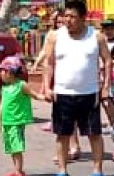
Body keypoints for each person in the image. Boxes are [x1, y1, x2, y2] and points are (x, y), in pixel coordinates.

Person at [42, 0, 112, 176]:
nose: (68, 20)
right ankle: (62, 171)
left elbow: (107, 60)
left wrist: (105, 86)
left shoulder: (96, 37)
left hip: (89, 93)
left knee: (93, 134)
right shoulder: (55, 37)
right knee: (62, 134)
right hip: (63, 93)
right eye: (66, 16)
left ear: (83, 18)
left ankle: (97, 171)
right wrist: (47, 87)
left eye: (72, 16)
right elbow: (48, 63)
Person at [31, 11, 81, 156]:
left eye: (62, 21)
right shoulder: (53, 35)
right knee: (63, 114)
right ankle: (68, 148)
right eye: (58, 21)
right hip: (57, 77)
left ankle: (72, 147)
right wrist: (37, 64)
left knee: (71, 116)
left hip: (72, 79)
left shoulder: (76, 36)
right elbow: (46, 54)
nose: (61, 23)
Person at [0, 55, 46, 176]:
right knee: (11, 148)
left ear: (10, 73)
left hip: (16, 122)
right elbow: (2, 105)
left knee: (16, 148)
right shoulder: (5, 88)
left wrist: (43, 97)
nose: (0, 74)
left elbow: (33, 94)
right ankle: (17, 170)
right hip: (7, 122)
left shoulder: (21, 85)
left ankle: (19, 172)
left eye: (2, 70)